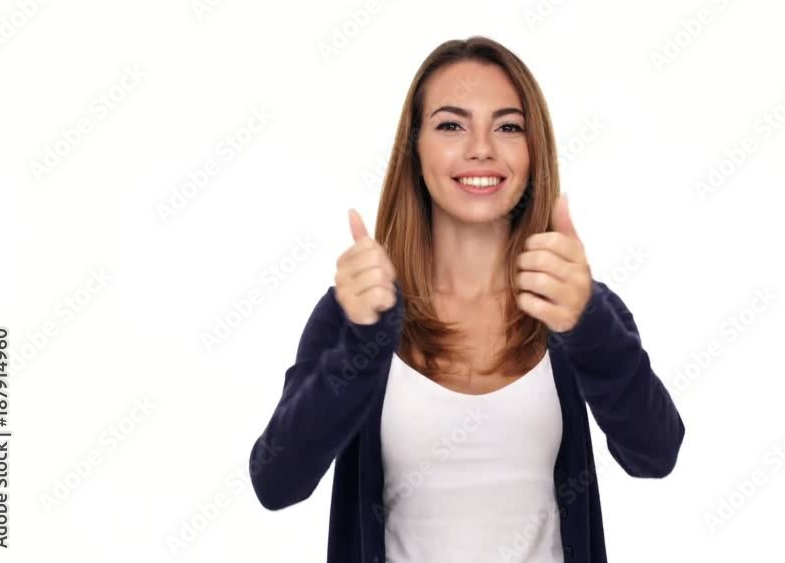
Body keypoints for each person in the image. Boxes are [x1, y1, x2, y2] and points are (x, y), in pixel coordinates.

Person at [249, 35, 685, 563]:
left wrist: (588, 324)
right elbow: (278, 482)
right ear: (415, 147)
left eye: (507, 126)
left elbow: (655, 454)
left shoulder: (575, 306)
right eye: (451, 125)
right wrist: (365, 342)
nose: (482, 148)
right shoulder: (357, 310)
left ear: (533, 151)